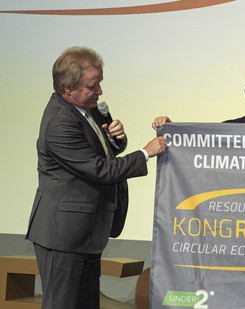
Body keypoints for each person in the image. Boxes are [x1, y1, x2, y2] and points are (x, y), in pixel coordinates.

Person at [26, 46, 167, 309]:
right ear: (68, 88)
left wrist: (117, 140)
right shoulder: (59, 122)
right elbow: (101, 170)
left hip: (86, 233)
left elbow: (101, 153)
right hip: (64, 236)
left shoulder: (83, 109)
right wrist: (146, 153)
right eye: (93, 86)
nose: (100, 91)